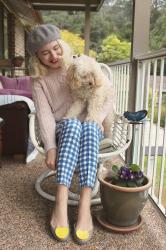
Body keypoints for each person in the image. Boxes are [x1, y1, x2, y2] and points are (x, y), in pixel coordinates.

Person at [26, 24, 113, 244]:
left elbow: (107, 92)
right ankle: (61, 201)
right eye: (45, 53)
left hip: (92, 124)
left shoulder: (79, 63)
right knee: (73, 125)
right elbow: (45, 115)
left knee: (90, 128)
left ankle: (84, 204)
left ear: (61, 45)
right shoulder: (39, 81)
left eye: (55, 48)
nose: (53, 56)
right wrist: (51, 147)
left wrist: (99, 118)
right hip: (63, 128)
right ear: (37, 57)